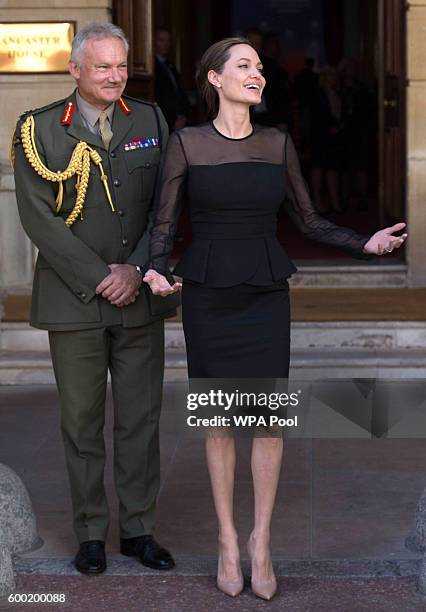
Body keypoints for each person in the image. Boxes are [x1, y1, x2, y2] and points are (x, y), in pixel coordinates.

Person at [143, 38, 407, 600]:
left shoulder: (276, 142)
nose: (257, 74)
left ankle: (262, 542)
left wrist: (366, 243)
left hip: (265, 294)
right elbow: (164, 223)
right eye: (244, 66)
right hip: (209, 295)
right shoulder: (186, 143)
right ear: (214, 79)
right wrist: (154, 268)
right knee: (218, 421)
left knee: (268, 421)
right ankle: (227, 539)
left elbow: (308, 220)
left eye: (259, 67)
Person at [12, 23, 178, 575]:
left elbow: (167, 207)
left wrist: (135, 269)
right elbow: (40, 219)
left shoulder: (150, 119)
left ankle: (138, 530)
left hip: (138, 295)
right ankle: (89, 533)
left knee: (140, 419)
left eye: (121, 66)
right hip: (75, 300)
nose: (114, 76)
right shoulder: (37, 130)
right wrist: (100, 275)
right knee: (81, 422)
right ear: (75, 70)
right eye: (103, 66)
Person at [154, 26, 190, 131]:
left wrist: (183, 116)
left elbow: (179, 93)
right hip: (163, 121)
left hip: (179, 120)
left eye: (168, 41)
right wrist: (173, 120)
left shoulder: (171, 67)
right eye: (161, 40)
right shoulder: (151, 68)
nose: (166, 44)